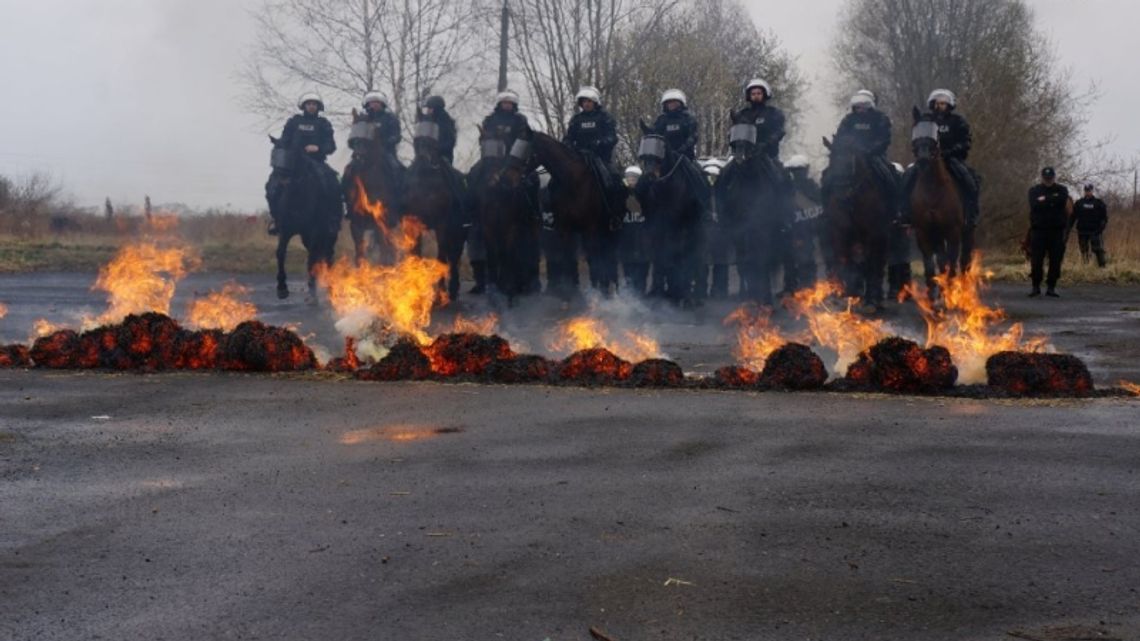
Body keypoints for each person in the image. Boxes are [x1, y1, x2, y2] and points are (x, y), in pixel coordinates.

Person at [900, 89, 980, 227]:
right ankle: (904, 212)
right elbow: (919, 136)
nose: (939, 106)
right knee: (908, 176)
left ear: (949, 105)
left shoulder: (957, 121)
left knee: (969, 180)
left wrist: (950, 152)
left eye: (943, 103)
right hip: (928, 158)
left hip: (951, 158)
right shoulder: (927, 120)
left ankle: (970, 214)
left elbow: (965, 142)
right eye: (937, 103)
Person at [270, 92, 340, 235]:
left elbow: (331, 146)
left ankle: (332, 219)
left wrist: (318, 148)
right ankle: (276, 219)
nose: (311, 106)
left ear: (318, 107)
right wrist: (279, 143)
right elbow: (285, 140)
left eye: (314, 104)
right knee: (272, 185)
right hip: (292, 164)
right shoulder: (293, 122)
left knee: (333, 182)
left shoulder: (324, 124)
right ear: (304, 106)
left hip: (316, 162)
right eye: (309, 104)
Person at [563, 86, 625, 222]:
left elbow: (612, 138)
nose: (586, 104)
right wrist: (570, 146)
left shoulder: (605, 117)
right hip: (579, 157)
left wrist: (599, 143)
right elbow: (568, 138)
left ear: (595, 102)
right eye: (584, 101)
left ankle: (616, 215)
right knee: (556, 181)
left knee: (615, 180)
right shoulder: (576, 119)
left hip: (600, 158)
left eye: (589, 101)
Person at [651, 88, 711, 214]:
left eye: (674, 102)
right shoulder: (661, 120)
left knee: (699, 176)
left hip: (685, 156)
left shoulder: (688, 118)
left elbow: (693, 135)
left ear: (681, 103)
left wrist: (684, 147)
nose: (672, 105)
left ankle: (707, 209)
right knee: (646, 178)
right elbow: (655, 135)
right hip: (665, 157)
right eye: (669, 103)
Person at [828, 90, 896, 196]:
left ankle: (894, 202)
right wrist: (842, 147)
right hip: (849, 156)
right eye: (858, 106)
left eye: (864, 106)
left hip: (875, 156)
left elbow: (884, 139)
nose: (861, 109)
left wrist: (869, 150)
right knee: (828, 175)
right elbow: (840, 137)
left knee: (889, 175)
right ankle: (826, 201)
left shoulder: (880, 118)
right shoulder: (848, 119)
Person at [1027, 167, 1070, 297]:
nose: (1048, 181)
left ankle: (1051, 287)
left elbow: (1062, 201)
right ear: (1042, 178)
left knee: (1055, 260)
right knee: (1036, 260)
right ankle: (1036, 286)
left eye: (1050, 178)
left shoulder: (1062, 190)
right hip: (1039, 230)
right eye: (1046, 178)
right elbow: (1034, 204)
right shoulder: (1034, 190)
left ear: (1054, 177)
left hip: (1056, 231)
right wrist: (1052, 200)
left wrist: (1044, 199)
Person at [784, 155, 824, 292]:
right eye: (794, 171)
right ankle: (791, 286)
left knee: (806, 259)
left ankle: (808, 286)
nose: (797, 174)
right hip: (793, 230)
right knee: (790, 259)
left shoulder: (811, 187)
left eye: (799, 170)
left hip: (806, 230)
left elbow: (819, 207)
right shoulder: (788, 189)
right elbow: (784, 208)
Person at [733, 79, 786, 160]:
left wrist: (766, 144)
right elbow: (735, 132)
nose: (756, 96)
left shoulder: (773, 113)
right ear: (749, 95)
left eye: (759, 93)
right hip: (745, 156)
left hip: (768, 156)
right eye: (753, 94)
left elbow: (779, 131)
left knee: (774, 168)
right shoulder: (743, 114)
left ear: (765, 94)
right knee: (727, 167)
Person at [619, 166, 650, 295]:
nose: (631, 180)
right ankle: (629, 294)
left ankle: (641, 293)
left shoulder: (646, 195)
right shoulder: (621, 195)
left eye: (634, 178)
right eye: (629, 177)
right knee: (628, 268)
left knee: (642, 267)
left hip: (642, 239)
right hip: (627, 238)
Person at [1069, 184, 1109, 267]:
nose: (1087, 192)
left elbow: (1104, 218)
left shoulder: (1098, 203)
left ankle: (1102, 266)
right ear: (1084, 191)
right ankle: (1085, 266)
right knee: (1083, 249)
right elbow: (1073, 217)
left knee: (1098, 249)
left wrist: (1101, 228)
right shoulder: (1079, 203)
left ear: (1092, 191)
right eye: (1086, 191)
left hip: (1095, 231)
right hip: (1082, 231)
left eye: (1089, 191)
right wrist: (1069, 227)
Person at [417, 95, 457, 164]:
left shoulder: (446, 122)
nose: (428, 111)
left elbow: (450, 142)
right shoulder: (428, 121)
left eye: (430, 108)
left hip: (443, 158)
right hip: (428, 157)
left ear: (436, 108)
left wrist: (437, 148)